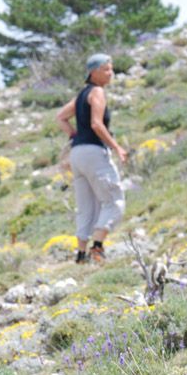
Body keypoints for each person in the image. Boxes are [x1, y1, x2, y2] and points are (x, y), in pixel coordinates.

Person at [56, 53, 128, 264]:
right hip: (94, 152)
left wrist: (75, 135)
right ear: (93, 72)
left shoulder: (81, 95)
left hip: (77, 155)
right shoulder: (97, 92)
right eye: (106, 69)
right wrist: (117, 147)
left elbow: (60, 117)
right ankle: (97, 248)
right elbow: (97, 124)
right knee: (114, 201)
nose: (110, 73)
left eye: (111, 69)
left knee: (86, 206)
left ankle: (80, 255)